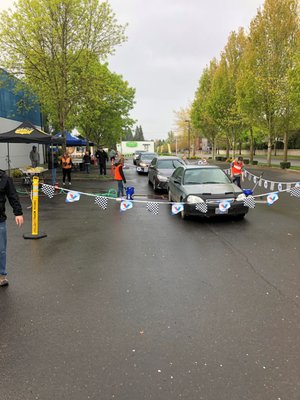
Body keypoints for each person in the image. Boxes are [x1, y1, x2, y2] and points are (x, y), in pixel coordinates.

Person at [0, 169, 24, 287]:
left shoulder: (4, 178)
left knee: (1, 250)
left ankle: (1, 276)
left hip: (0, 221)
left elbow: (12, 195)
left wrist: (18, 213)